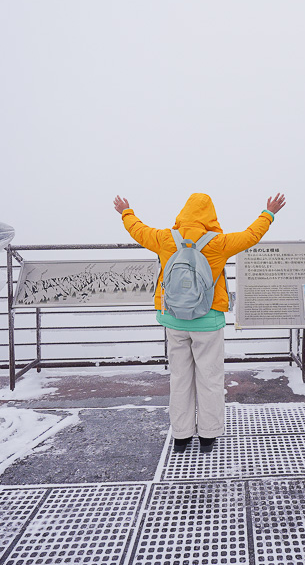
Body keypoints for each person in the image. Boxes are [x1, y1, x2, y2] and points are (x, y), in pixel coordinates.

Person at [113, 192, 287, 453]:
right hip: (208, 320)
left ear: (183, 213)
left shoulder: (164, 239)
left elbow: (138, 230)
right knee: (210, 378)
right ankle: (208, 435)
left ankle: (181, 437)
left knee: (180, 377)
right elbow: (251, 235)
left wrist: (126, 211)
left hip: (173, 319)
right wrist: (269, 213)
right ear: (210, 216)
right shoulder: (218, 242)